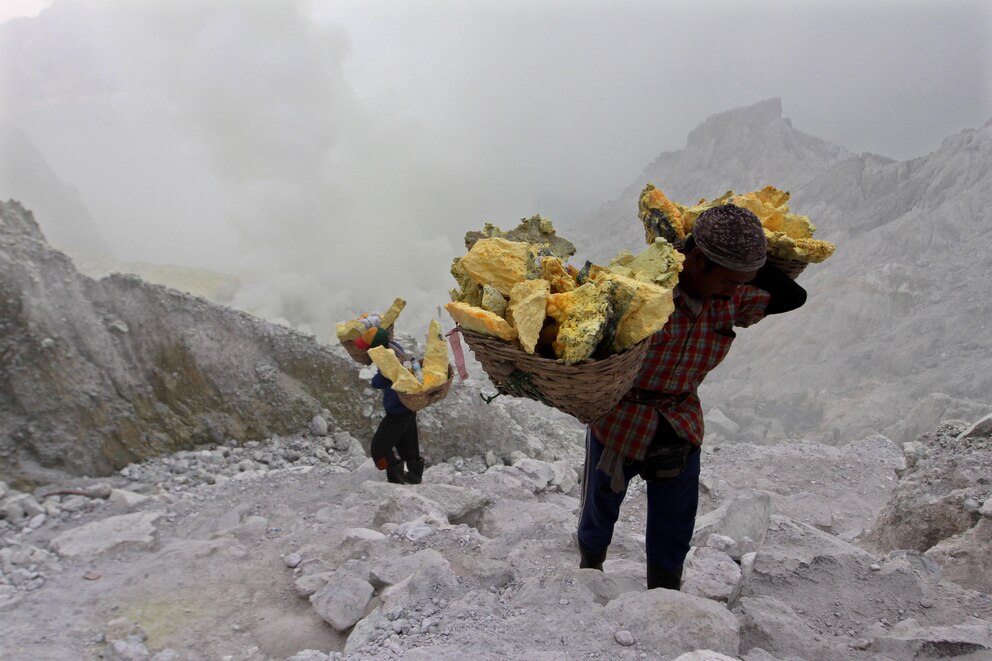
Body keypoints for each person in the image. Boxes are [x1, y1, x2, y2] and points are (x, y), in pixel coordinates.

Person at [576, 203, 807, 590]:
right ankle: (589, 570)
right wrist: (689, 249)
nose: (737, 290)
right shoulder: (644, 293)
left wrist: (749, 257)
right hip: (621, 420)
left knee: (675, 520)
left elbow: (792, 296)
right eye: (731, 280)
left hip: (680, 421)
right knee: (600, 507)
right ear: (697, 262)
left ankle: (664, 592)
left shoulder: (730, 300)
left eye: (743, 282)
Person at [368, 331, 426, 484]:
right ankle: (414, 476)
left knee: (379, 449)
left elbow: (376, 382)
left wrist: (381, 371)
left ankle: (395, 476)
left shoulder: (389, 363)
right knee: (408, 445)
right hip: (408, 408)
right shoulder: (396, 350)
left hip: (397, 411)